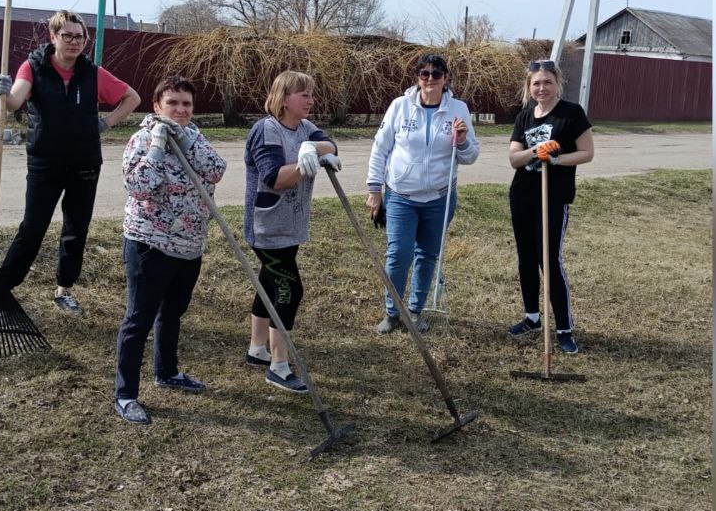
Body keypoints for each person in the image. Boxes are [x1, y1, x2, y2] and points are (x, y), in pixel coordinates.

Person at [0, 10, 140, 315]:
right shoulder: (34, 67)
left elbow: (132, 98)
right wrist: (3, 92)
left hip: (85, 163)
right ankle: (0, 289)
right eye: (67, 35)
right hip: (45, 162)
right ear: (53, 37)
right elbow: (17, 100)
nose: (74, 42)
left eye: (80, 36)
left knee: (76, 228)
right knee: (32, 228)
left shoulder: (92, 73)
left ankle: (64, 290)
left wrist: (105, 123)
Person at [112, 76, 227, 425]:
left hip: (190, 244)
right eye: (173, 103)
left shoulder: (194, 136)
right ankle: (125, 395)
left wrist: (188, 140)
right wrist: (159, 147)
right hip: (150, 243)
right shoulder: (143, 139)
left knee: (173, 312)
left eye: (187, 104)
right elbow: (139, 186)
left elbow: (217, 170)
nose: (180, 110)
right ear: (157, 105)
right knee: (139, 319)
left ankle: (167, 372)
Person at [366, 53, 479, 335]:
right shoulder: (400, 106)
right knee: (398, 254)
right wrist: (374, 189)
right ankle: (393, 312)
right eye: (423, 74)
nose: (429, 79)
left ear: (446, 79)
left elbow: (470, 156)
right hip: (401, 195)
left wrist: (462, 141)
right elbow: (380, 148)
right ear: (417, 77)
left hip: (439, 197)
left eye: (436, 74)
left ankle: (414, 311)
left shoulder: (459, 109)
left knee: (427, 254)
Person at [243, 71, 341, 392]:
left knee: (270, 283)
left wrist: (314, 149)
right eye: (304, 95)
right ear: (285, 97)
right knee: (289, 290)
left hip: (291, 226)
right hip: (268, 226)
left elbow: (331, 143)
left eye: (312, 94)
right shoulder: (266, 130)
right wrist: (303, 164)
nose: (311, 100)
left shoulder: (304, 128)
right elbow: (274, 177)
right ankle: (279, 366)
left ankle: (257, 348)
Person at [507, 59, 595, 353]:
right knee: (526, 258)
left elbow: (586, 153)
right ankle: (532, 317)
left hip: (554, 197)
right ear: (529, 87)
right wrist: (536, 150)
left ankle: (564, 329)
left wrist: (556, 159)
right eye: (536, 83)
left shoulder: (572, 114)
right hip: (522, 195)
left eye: (547, 82)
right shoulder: (523, 118)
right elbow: (514, 159)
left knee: (550, 261)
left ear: (557, 83)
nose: (541, 88)